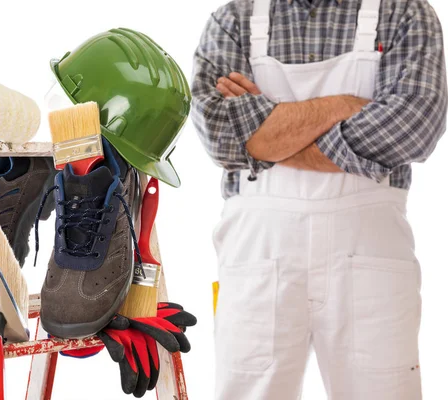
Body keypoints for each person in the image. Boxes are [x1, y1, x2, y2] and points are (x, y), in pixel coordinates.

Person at [191, 0, 447, 399]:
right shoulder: (233, 20)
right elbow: (221, 136)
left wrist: (266, 138)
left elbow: (413, 126)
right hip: (258, 255)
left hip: (372, 256)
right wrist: (344, 106)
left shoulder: (404, 12)